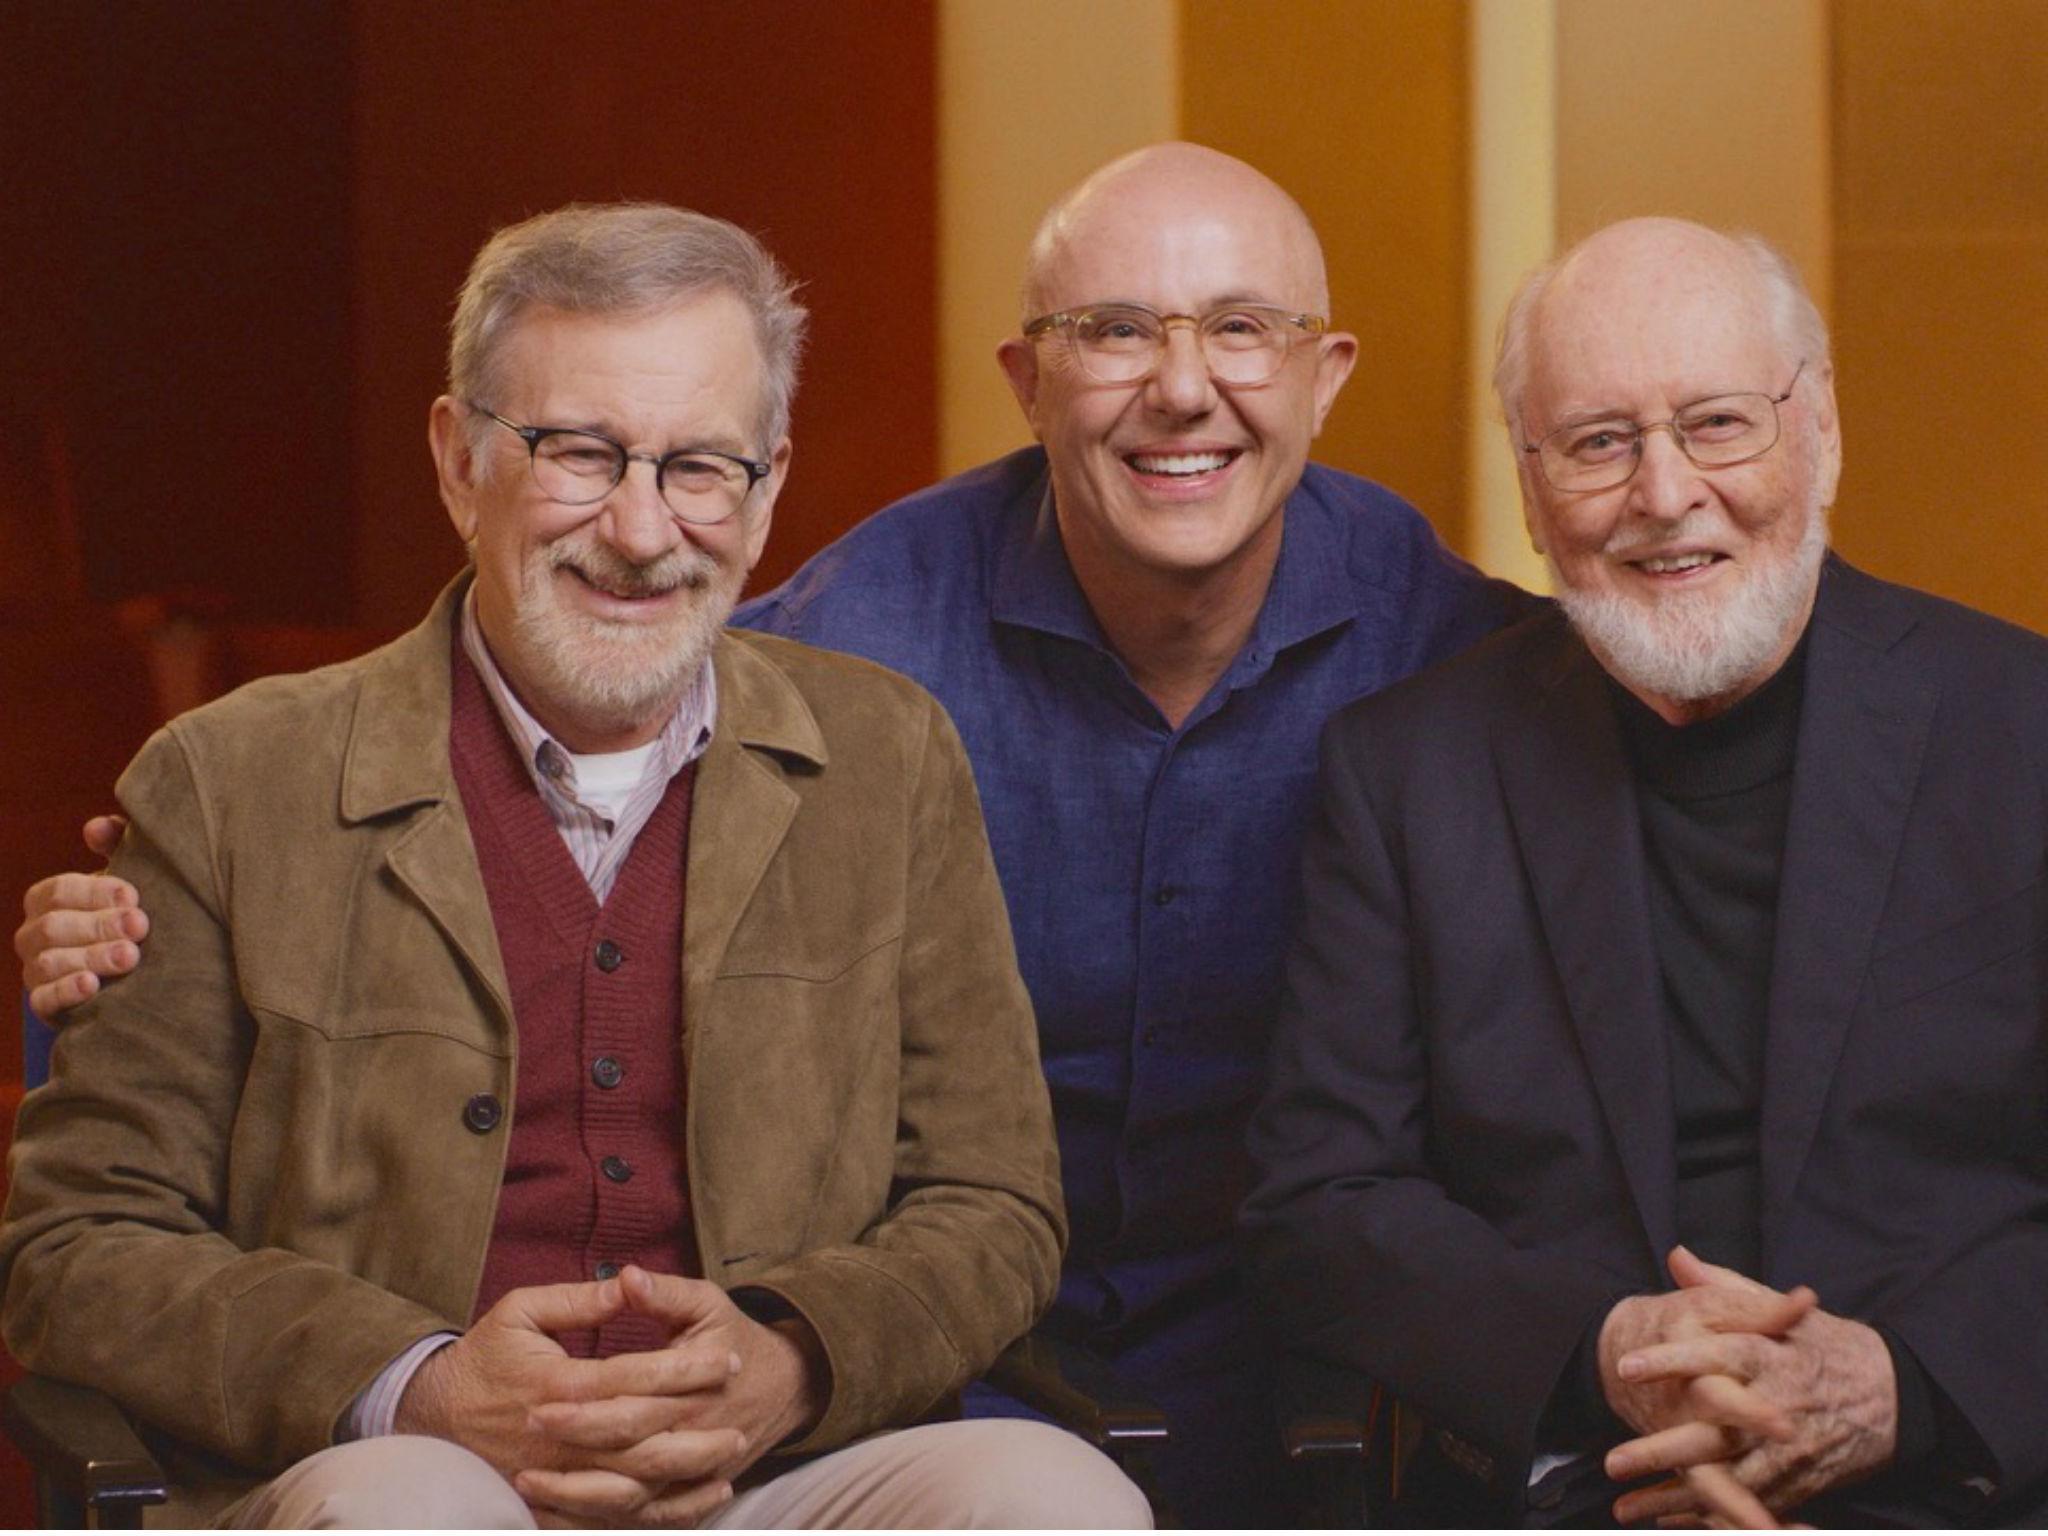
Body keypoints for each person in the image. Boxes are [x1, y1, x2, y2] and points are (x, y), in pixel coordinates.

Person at [15, 144, 1526, 1521]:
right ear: (456, 459)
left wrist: (795, 1357)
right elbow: (77, 1240)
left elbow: (994, 1198)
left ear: (763, 489)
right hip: (402, 1463)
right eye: (576, 451)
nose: (641, 526)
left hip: (827, 1454)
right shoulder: (233, 778)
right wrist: (415, 1378)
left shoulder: (887, 749)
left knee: (1048, 1504)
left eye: (698, 467)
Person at [1243, 217, 2048, 1526]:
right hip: (1574, 1485)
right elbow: (1321, 1206)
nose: (1665, 494)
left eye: (1718, 424)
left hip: (1961, 1481)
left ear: (1823, 430)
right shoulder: (1407, 772)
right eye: (1600, 442)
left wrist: (1905, 1384)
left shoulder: (2025, 730)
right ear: (1528, 476)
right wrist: (1607, 1354)